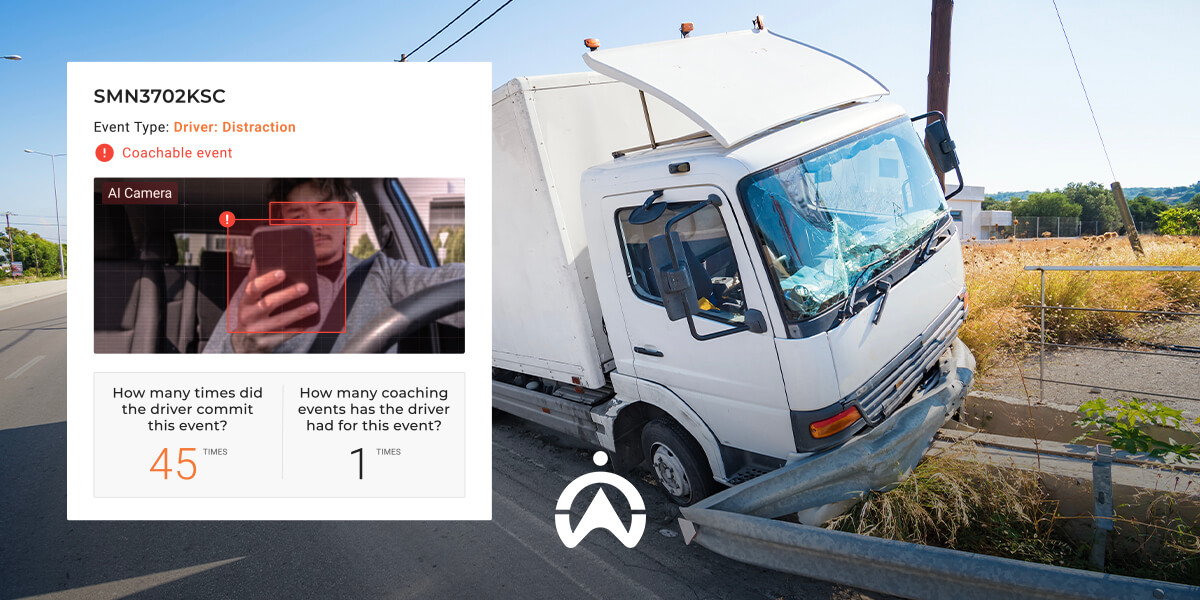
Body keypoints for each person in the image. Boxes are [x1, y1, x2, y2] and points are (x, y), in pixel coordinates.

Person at [204, 178, 463, 353]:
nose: (314, 224)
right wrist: (239, 347)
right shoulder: (264, 285)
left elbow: (453, 285)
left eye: (325, 210)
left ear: (348, 214)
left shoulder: (385, 273)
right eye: (297, 214)